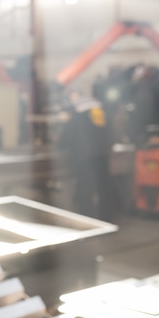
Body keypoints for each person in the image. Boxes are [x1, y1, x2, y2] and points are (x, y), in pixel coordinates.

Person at [58, 87, 113, 221]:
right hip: (102, 152)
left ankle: (86, 217)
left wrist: (59, 145)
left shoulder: (75, 108)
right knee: (103, 185)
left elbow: (69, 132)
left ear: (73, 95)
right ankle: (106, 217)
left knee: (85, 185)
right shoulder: (99, 106)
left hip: (84, 153)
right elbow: (110, 127)